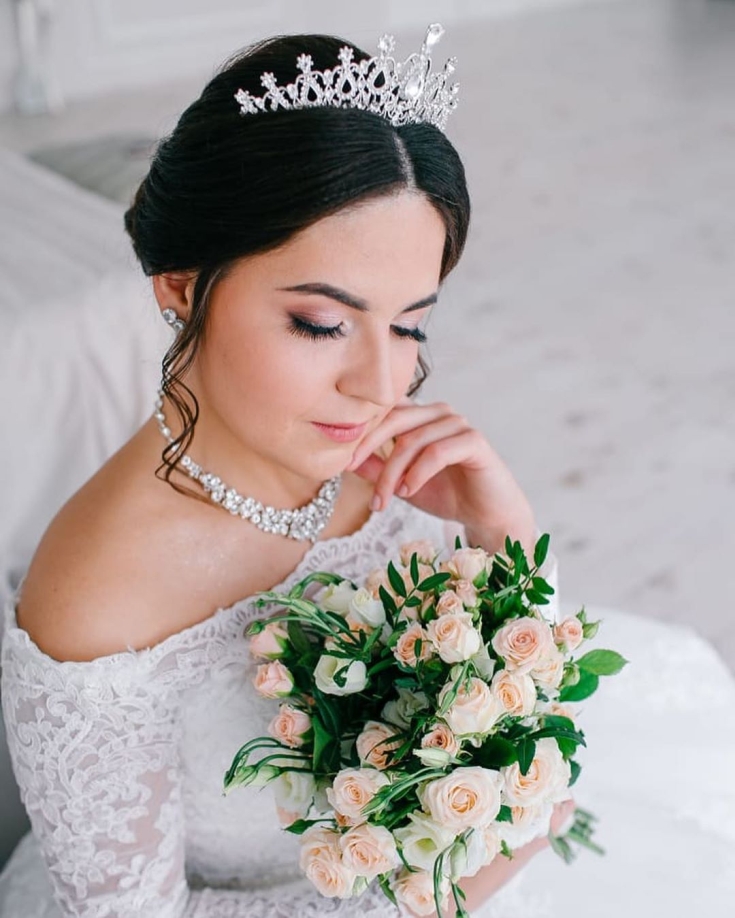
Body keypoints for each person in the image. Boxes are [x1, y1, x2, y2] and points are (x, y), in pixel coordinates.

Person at [1, 23, 734, 918]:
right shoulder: (95, 600)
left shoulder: (379, 452)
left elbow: (509, 715)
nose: (380, 385)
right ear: (182, 287)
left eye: (409, 325)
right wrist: (447, 888)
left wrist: (502, 538)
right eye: (320, 324)